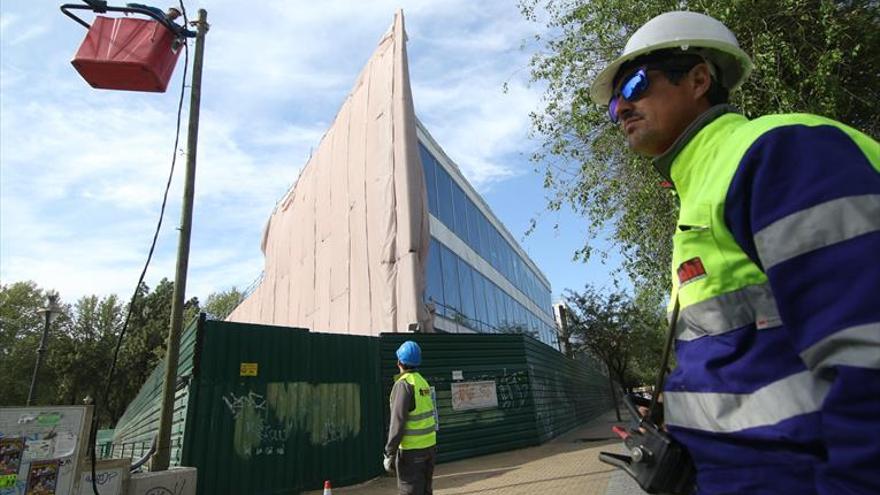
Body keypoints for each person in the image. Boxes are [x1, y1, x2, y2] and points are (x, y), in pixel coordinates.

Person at [590, 11, 880, 495]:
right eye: (614, 101)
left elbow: (868, 344)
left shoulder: (779, 152)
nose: (621, 107)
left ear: (699, 78)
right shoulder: (703, 191)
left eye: (636, 85)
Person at [384, 341, 437, 495]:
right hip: (430, 448)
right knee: (426, 491)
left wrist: (389, 452)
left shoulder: (403, 384)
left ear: (400, 362)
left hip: (411, 452)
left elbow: (397, 422)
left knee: (410, 491)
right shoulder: (422, 382)